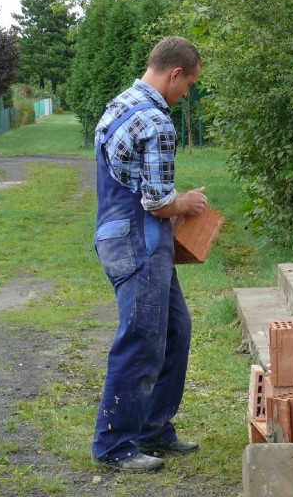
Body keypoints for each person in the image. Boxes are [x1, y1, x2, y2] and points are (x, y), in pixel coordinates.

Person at [91, 36, 209, 472]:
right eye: (190, 84)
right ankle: (114, 445)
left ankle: (153, 428)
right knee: (141, 338)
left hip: (115, 232)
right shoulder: (157, 122)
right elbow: (158, 203)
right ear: (175, 73)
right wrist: (189, 202)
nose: (187, 95)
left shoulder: (121, 102)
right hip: (138, 240)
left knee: (174, 328)